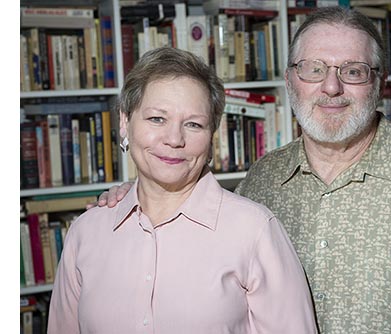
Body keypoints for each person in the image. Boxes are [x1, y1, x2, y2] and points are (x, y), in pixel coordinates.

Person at [95, 7, 391, 334]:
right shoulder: (261, 181)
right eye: (314, 69)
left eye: (352, 71)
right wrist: (135, 194)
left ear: (380, 83)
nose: (331, 87)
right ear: (289, 80)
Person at [47, 46, 318, 334]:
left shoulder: (254, 231)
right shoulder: (86, 232)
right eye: (157, 119)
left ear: (211, 136)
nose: (175, 139)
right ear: (125, 122)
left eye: (193, 124)